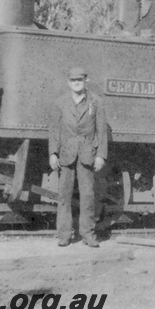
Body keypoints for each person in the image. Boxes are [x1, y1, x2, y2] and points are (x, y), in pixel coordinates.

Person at [49, 67, 108, 248]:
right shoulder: (60, 103)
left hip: (87, 154)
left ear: (85, 81)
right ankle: (64, 235)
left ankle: (88, 234)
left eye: (80, 80)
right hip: (66, 154)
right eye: (73, 80)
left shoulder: (96, 102)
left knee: (88, 195)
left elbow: (102, 131)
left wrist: (100, 156)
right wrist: (53, 153)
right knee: (64, 196)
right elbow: (54, 131)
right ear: (68, 82)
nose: (76, 83)